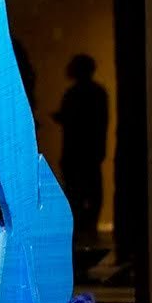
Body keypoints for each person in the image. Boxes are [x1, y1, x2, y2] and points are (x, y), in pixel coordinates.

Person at [51, 54, 109, 245]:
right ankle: (89, 232)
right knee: (92, 195)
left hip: (74, 154)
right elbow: (101, 124)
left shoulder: (72, 94)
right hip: (90, 154)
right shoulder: (98, 93)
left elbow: (72, 122)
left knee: (75, 196)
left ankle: (79, 235)